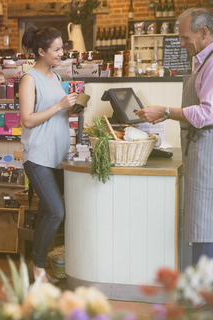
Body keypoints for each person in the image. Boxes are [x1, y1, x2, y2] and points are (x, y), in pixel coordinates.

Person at [136, 8, 213, 264]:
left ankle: (203, 291)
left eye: (185, 37)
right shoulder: (202, 59)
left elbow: (206, 113)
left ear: (204, 33)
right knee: (201, 221)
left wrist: (167, 111)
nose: (181, 43)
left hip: (207, 154)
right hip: (198, 152)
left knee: (205, 222)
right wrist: (167, 115)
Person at [20, 26, 80, 282]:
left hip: (57, 156)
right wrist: (59, 105)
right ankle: (37, 268)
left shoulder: (56, 77)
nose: (61, 53)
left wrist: (71, 109)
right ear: (41, 51)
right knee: (56, 212)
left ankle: (39, 268)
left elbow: (57, 115)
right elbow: (28, 120)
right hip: (37, 157)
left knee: (47, 213)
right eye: (56, 49)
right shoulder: (29, 79)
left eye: (61, 48)